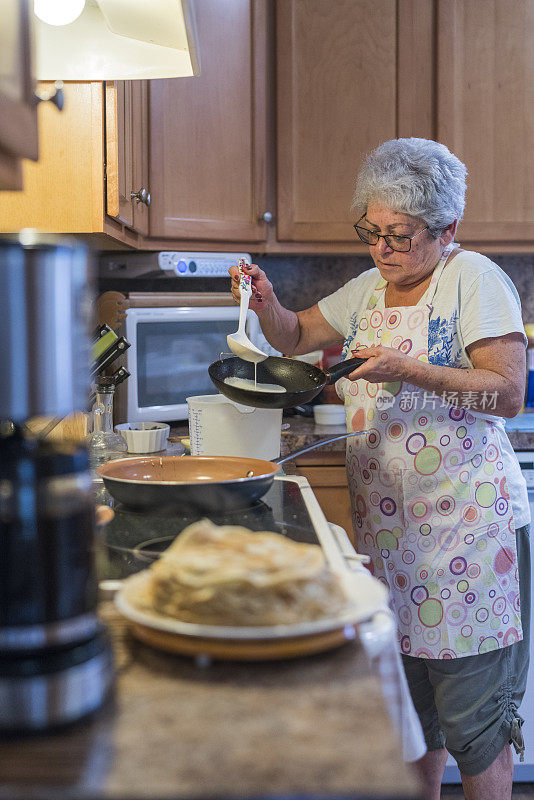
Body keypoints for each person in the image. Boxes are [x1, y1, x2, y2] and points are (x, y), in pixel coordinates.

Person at [229, 138, 530, 800]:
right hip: (394, 542)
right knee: (410, 717)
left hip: (467, 538)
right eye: (372, 233)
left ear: (447, 229)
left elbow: (506, 394)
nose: (383, 250)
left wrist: (408, 369)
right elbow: (294, 336)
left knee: (475, 723)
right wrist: (268, 300)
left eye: (400, 236)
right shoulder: (370, 289)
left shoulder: (473, 280)